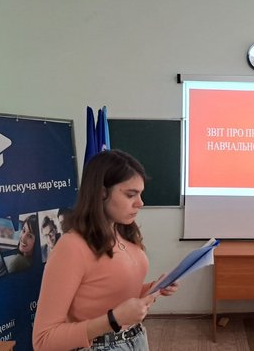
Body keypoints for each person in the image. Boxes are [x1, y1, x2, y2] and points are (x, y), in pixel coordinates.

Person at [32, 150, 179, 351]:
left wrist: (155, 288)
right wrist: (113, 320)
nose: (140, 203)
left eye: (140, 194)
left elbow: (111, 294)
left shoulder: (124, 232)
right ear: (101, 193)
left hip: (136, 339)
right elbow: (43, 340)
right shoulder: (71, 247)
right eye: (130, 195)